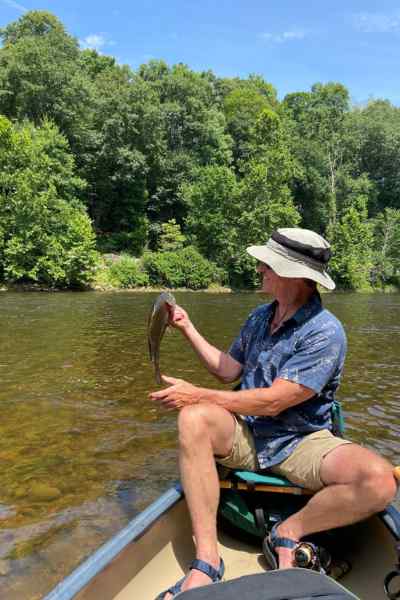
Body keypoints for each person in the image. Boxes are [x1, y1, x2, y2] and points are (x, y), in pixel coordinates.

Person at [150, 228, 397, 600]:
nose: (260, 267)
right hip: (248, 434)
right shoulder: (259, 317)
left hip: (302, 440)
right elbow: (230, 370)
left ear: (296, 276)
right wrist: (187, 327)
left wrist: (196, 393)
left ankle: (290, 530)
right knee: (193, 418)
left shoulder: (325, 332)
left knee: (379, 482)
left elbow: (274, 401)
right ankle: (207, 561)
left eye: (268, 263)